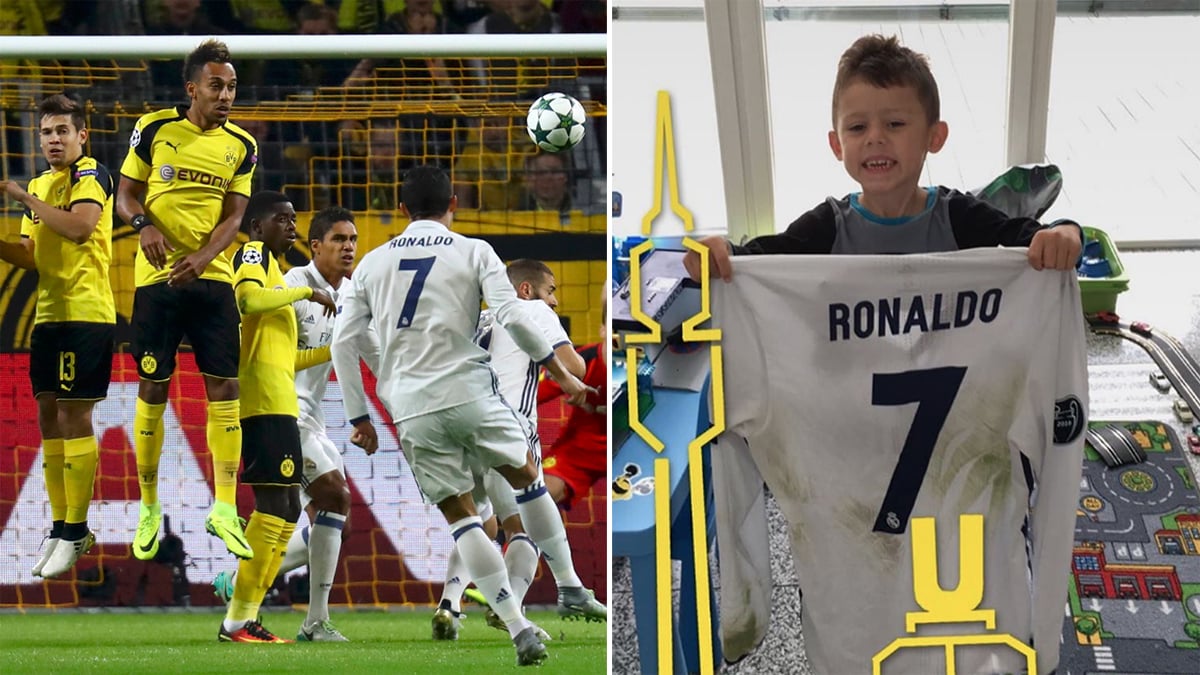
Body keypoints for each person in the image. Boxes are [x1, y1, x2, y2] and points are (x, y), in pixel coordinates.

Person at [330, 165, 595, 666]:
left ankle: (517, 628)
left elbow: (345, 341)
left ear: (401, 208)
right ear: (454, 202)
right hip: (470, 391)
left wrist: (358, 417)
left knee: (463, 518)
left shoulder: (370, 265)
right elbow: (515, 317)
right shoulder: (474, 250)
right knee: (526, 481)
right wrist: (561, 375)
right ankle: (568, 584)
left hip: (409, 404)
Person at [683, 34, 1083, 282]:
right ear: (837, 145)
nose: (875, 138)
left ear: (934, 136)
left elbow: (1027, 234)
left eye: (894, 124)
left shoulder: (957, 216)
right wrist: (724, 251)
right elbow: (764, 258)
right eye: (857, 128)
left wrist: (1066, 232)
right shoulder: (827, 227)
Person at [116, 39, 259, 563]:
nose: (226, 95)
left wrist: (202, 258)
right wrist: (142, 225)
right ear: (191, 88)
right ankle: (149, 506)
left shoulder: (242, 144)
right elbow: (125, 193)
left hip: (213, 278)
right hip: (156, 281)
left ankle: (224, 507)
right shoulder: (154, 128)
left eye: (232, 87)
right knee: (153, 385)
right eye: (216, 86)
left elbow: (234, 217)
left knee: (224, 384)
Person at [212, 205, 376, 642]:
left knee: (333, 514)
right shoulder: (291, 284)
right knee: (330, 499)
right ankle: (313, 621)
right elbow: (257, 334)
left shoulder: (351, 297)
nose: (349, 248)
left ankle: (247, 581)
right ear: (316, 246)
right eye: (339, 239)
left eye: (353, 240)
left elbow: (359, 351)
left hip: (310, 417)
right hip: (279, 410)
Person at [433, 258, 607, 640]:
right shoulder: (531, 310)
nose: (555, 302)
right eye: (551, 291)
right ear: (526, 290)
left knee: (474, 523)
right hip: (507, 428)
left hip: (457, 428)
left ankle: (448, 604)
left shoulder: (476, 318)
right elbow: (573, 365)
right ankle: (526, 604)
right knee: (526, 525)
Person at [0, 94, 115, 579]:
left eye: (62, 131)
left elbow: (82, 227)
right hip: (49, 316)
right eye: (46, 132)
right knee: (49, 414)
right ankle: (61, 523)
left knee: (74, 414)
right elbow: (30, 254)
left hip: (86, 313)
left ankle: (77, 526)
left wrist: (26, 199)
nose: (53, 140)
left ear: (81, 135)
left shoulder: (92, 175)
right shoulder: (41, 184)